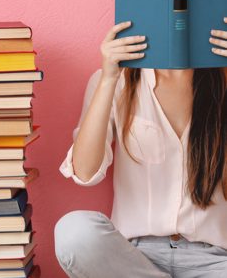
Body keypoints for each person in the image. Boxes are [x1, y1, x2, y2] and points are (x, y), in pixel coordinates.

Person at [54, 19, 227, 278]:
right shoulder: (114, 81)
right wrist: (108, 78)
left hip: (214, 261)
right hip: (131, 259)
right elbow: (85, 173)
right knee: (74, 231)